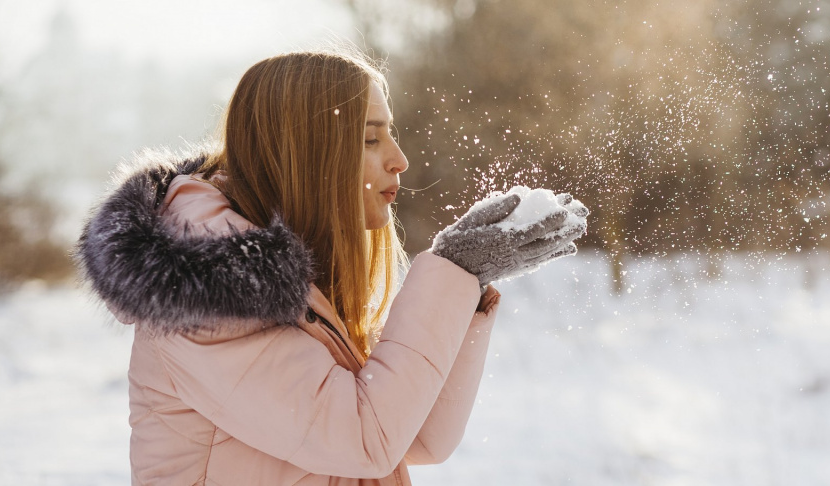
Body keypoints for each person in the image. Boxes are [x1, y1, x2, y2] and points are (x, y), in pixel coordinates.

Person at [76, 49, 586, 485]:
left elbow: (420, 435)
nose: (399, 159)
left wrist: (465, 286)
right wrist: (450, 269)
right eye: (370, 139)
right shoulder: (210, 300)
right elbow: (367, 438)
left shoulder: (297, 284)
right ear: (306, 151)